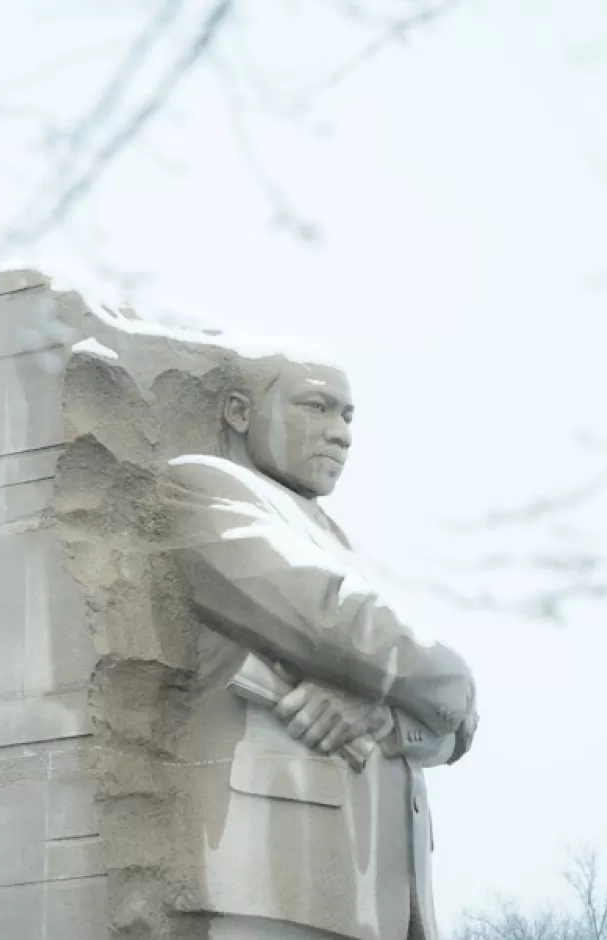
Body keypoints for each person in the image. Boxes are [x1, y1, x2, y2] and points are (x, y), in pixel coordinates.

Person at [162, 352, 479, 940]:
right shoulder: (203, 489)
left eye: (349, 416)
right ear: (238, 412)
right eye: (317, 407)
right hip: (267, 872)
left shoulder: (333, 539)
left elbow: (448, 734)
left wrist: (380, 713)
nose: (342, 433)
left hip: (380, 898)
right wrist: (453, 682)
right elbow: (329, 619)